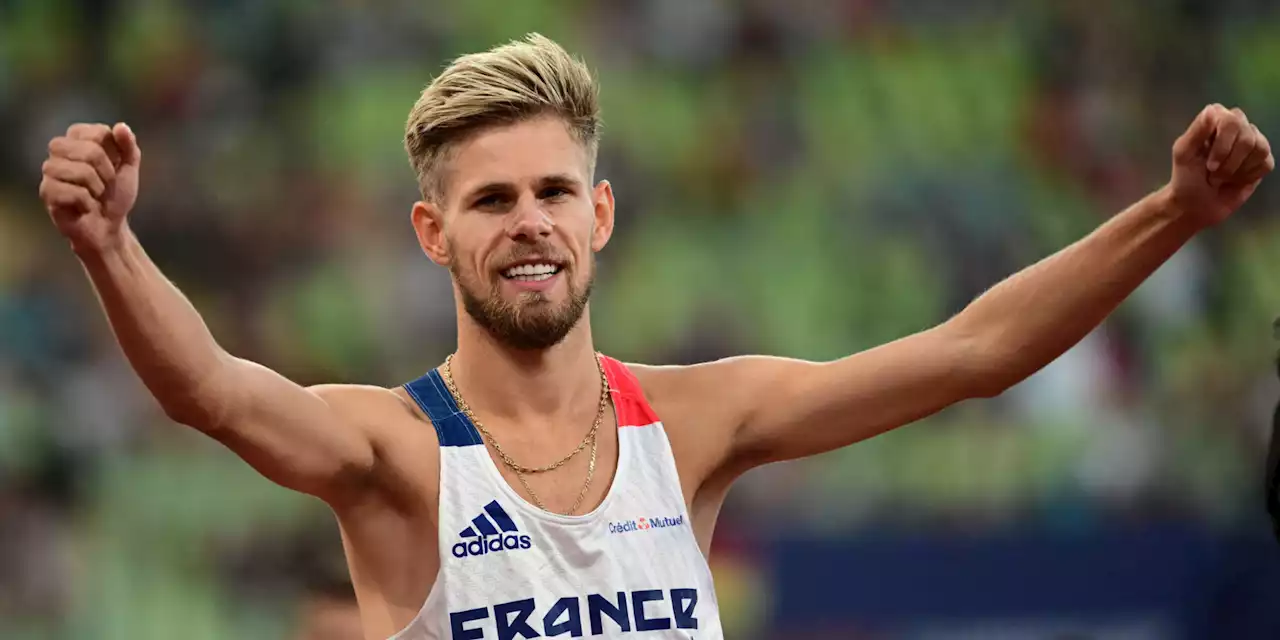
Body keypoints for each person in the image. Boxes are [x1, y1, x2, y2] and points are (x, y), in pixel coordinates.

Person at [36, 33, 1273, 640]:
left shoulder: (693, 421)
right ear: (431, 232)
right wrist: (109, 243)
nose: (529, 224)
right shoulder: (395, 450)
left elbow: (970, 353)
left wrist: (1174, 212)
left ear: (601, 212)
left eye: (553, 192)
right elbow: (207, 388)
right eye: (490, 200)